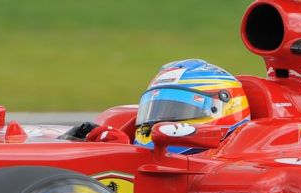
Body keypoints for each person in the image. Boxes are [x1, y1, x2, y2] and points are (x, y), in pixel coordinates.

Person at [67, 59, 250, 153]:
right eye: (156, 108)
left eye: (177, 110)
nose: (156, 124)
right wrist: (116, 150)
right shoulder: (118, 139)